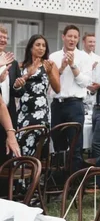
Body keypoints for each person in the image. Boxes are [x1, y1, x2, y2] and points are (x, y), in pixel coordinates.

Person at [49, 25, 92, 171]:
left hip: (74, 104)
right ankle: (60, 179)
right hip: (57, 104)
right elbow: (51, 82)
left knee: (75, 145)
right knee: (58, 145)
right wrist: (61, 68)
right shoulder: (53, 57)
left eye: (75, 37)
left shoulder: (84, 57)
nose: (72, 39)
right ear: (63, 37)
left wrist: (73, 65)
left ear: (78, 39)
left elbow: (85, 83)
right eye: (69, 36)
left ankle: (74, 180)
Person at [14, 35, 60, 156]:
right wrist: (28, 74)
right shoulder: (21, 66)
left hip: (40, 112)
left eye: (44, 46)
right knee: (22, 145)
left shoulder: (49, 65)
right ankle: (23, 167)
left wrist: (50, 73)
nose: (41, 48)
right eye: (38, 45)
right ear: (30, 47)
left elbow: (57, 89)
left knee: (40, 147)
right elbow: (15, 88)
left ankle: (38, 167)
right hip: (23, 112)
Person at [0, 25, 21, 164]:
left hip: (7, 113)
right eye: (0, 37)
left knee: (6, 157)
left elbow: (16, 92)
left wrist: (18, 86)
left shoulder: (12, 62)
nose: (3, 40)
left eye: (5, 38)